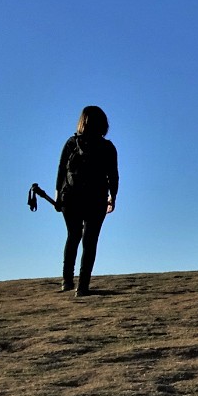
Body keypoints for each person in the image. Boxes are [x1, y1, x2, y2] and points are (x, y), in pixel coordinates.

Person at [55, 106, 119, 296]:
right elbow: (113, 176)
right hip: (95, 199)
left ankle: (66, 281)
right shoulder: (108, 147)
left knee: (73, 235)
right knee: (90, 241)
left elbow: (61, 169)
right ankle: (82, 286)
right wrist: (112, 197)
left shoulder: (72, 142)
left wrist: (58, 194)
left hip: (70, 197)